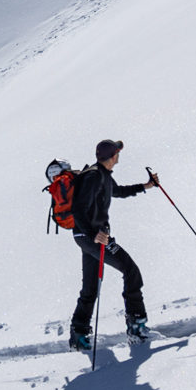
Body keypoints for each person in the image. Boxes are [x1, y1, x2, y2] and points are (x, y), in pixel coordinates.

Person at [68, 139, 158, 353]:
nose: (119, 155)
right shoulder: (93, 176)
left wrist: (146, 186)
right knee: (130, 270)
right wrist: (94, 235)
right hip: (92, 237)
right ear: (113, 156)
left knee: (90, 287)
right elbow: (77, 209)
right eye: (118, 152)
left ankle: (78, 335)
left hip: (87, 237)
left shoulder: (102, 175)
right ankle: (136, 327)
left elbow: (117, 192)